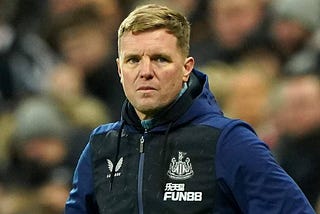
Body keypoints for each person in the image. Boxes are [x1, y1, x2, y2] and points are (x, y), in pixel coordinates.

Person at [65, 4, 315, 213]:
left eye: (160, 59)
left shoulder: (228, 141)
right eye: (133, 60)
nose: (145, 72)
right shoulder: (101, 147)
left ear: (186, 68)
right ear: (120, 70)